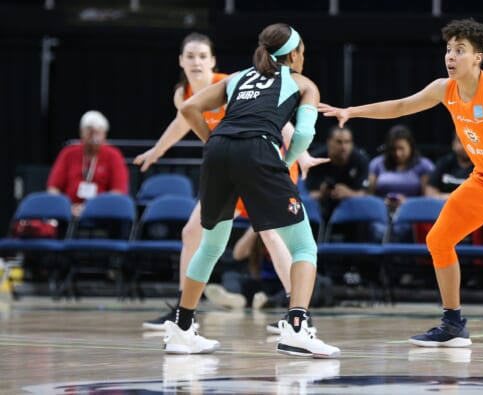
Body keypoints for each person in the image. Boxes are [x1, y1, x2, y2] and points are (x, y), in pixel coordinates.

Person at [319, 18, 483, 355]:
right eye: (448, 49)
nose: (451, 56)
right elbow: (401, 106)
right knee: (438, 240)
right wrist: (351, 112)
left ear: (477, 58)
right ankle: (453, 324)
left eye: (460, 50)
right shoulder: (443, 89)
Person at [135, 33, 325, 331]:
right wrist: (157, 151)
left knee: (270, 236)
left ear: (213, 61)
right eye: (190, 56)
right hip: (234, 162)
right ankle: (183, 311)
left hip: (263, 161)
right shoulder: (183, 94)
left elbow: (282, 118)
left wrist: (303, 156)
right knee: (193, 233)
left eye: (202, 56)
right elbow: (182, 121)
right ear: (181, 61)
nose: (196, 62)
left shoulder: (234, 80)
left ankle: (297, 310)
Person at [173, 22, 339, 358]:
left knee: (211, 246)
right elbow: (304, 134)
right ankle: (297, 327)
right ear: (294, 54)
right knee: (304, 246)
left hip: (218, 151)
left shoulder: (237, 77)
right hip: (259, 150)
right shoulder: (303, 83)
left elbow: (189, 108)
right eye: (303, 51)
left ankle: (181, 329)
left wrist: (214, 141)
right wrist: (286, 162)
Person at [47, 110, 129, 217]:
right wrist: (66, 208)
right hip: (69, 211)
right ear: (81, 132)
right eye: (90, 132)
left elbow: (118, 191)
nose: (93, 137)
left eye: (97, 133)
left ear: (104, 134)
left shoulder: (113, 155)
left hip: (101, 212)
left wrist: (91, 209)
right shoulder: (68, 153)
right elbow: (53, 188)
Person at [305, 125, 369, 222]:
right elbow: (309, 194)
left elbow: (364, 193)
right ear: (329, 142)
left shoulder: (361, 160)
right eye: (339, 142)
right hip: (322, 206)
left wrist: (348, 193)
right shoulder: (315, 160)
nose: (344, 147)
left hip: (352, 208)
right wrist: (324, 193)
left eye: (347, 142)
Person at [368, 124, 435, 212]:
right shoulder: (376, 164)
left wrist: (407, 203)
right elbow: (369, 195)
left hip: (413, 212)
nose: (397, 153)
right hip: (381, 211)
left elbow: (427, 198)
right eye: (393, 149)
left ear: (410, 147)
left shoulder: (424, 165)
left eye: (401, 149)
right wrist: (382, 202)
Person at [425, 134, 473, 200]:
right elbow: (430, 193)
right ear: (453, 144)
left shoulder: (481, 166)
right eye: (461, 141)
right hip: (443, 204)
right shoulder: (444, 162)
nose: (465, 146)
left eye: (470, 142)